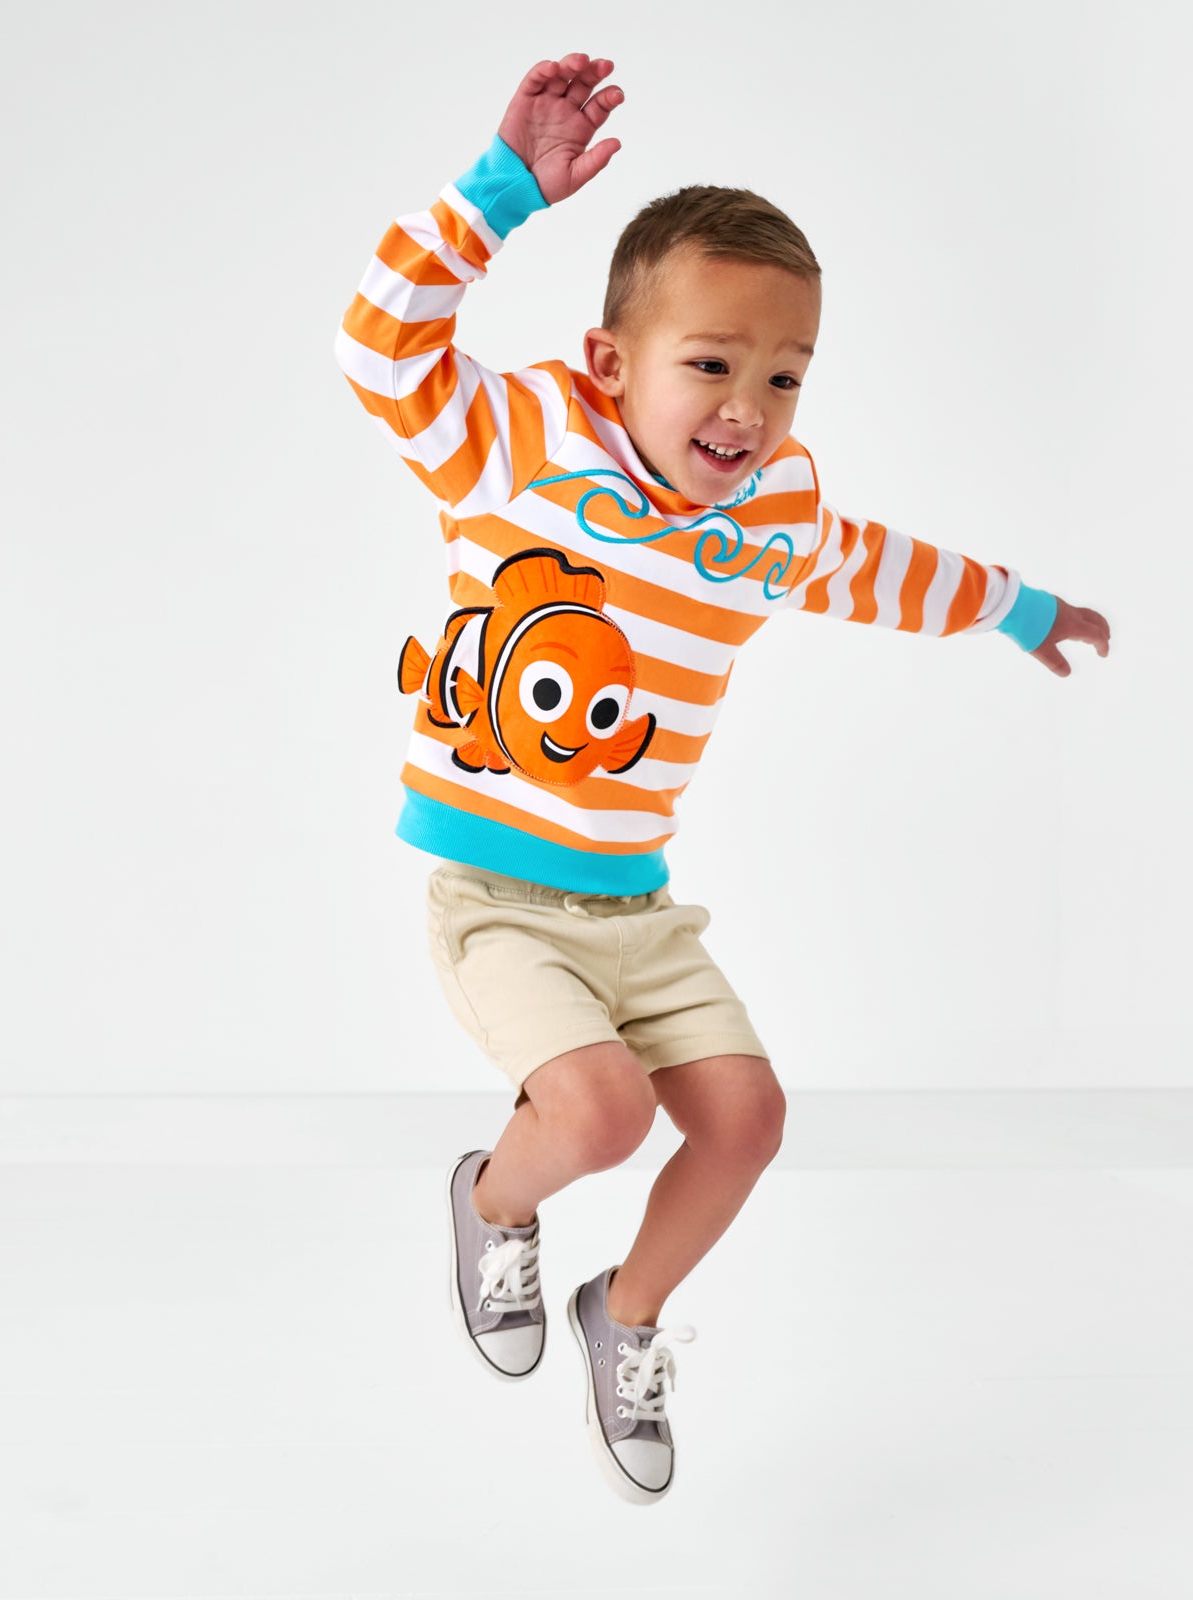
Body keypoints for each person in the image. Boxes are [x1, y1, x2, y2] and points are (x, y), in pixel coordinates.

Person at [335, 50, 1110, 1505]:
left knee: (749, 1122)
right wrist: (497, 195)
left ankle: (622, 1316)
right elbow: (380, 348)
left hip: (639, 910)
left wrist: (1018, 609)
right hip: (499, 899)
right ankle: (493, 1201)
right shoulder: (510, 445)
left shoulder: (770, 516)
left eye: (784, 375)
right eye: (711, 363)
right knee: (603, 1115)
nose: (748, 407)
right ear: (611, 364)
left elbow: (876, 567)